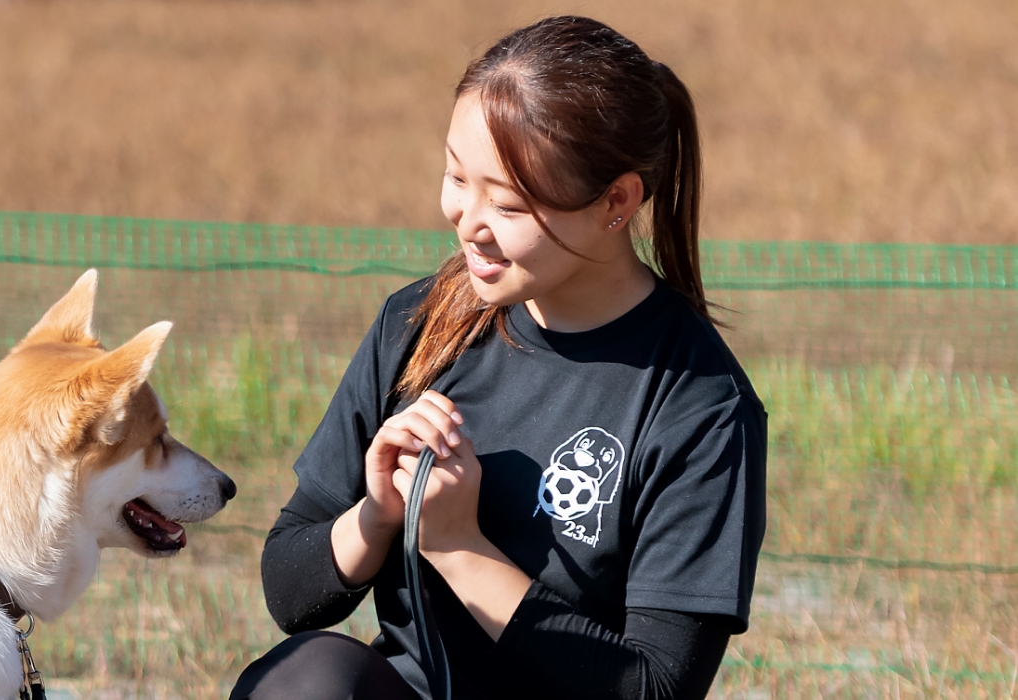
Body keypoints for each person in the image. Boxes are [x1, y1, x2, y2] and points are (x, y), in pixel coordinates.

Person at [229, 15, 766, 700]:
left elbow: (656, 687)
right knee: (308, 682)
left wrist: (458, 549)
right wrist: (378, 513)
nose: (466, 221)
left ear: (617, 202)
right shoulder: (418, 325)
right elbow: (289, 590)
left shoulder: (700, 406)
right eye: (457, 176)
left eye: (508, 204)